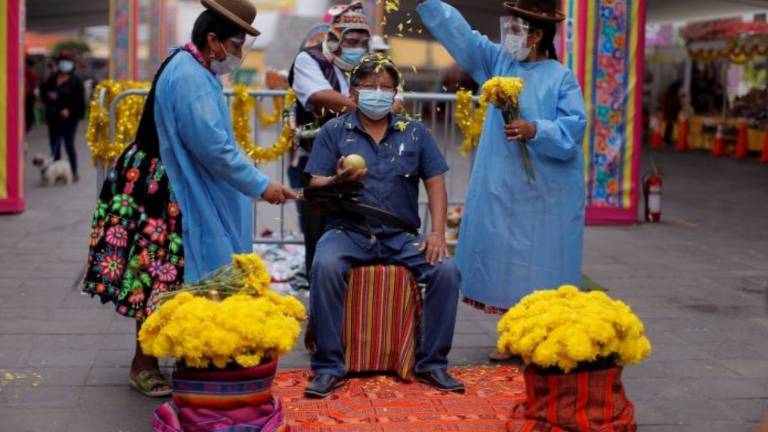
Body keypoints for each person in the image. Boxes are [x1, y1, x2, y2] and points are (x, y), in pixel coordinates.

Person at [83, 0, 296, 397]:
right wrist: (261, 186)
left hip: (163, 179)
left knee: (177, 275)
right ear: (213, 41)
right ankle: (143, 363)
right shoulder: (190, 77)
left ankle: (182, 350)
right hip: (160, 188)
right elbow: (214, 148)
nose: (238, 54)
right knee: (159, 274)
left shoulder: (190, 64)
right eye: (235, 44)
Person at [417, 0, 587, 360]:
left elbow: (573, 129)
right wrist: (429, 3)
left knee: (543, 264)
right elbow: (462, 37)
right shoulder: (499, 62)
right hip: (504, 188)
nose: (508, 35)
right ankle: (512, 335)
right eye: (507, 27)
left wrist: (535, 129)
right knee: (508, 263)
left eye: (516, 30)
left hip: (548, 193)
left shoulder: (561, 77)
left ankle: (542, 337)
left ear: (537, 36)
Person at [303, 54, 464, 399]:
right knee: (324, 266)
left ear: (395, 93)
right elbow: (315, 183)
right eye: (369, 86)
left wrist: (437, 233)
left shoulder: (415, 132)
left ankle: (432, 362)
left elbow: (436, 184)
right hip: (348, 231)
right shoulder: (334, 131)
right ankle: (328, 366)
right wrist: (337, 180)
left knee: (446, 271)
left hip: (401, 237)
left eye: (386, 87)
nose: (378, 92)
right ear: (353, 92)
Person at [288, 1, 372, 278]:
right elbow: (321, 96)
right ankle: (319, 293)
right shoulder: (309, 59)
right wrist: (371, 106)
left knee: (359, 232)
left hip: (362, 164)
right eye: (351, 41)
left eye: (363, 42)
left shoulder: (371, 65)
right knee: (319, 233)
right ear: (334, 39)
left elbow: (397, 99)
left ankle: (354, 293)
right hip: (316, 164)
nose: (358, 47)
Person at [40, 51, 85, 182]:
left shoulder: (75, 80)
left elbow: (80, 100)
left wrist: (70, 110)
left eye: (67, 61)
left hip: (69, 119)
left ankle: (73, 172)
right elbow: (43, 93)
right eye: (62, 61)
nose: (65, 64)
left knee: (69, 144)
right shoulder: (52, 78)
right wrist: (49, 96)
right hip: (54, 117)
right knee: (55, 145)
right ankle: (56, 173)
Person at [662, 80, 682, 146]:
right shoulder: (674, 95)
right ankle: (666, 139)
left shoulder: (668, 94)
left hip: (668, 112)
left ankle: (666, 139)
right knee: (669, 126)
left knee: (669, 126)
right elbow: (676, 105)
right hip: (671, 112)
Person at [25, 57, 38, 133]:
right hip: (32, 94)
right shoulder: (33, 72)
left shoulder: (27, 72)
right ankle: (30, 124)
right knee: (30, 109)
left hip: (28, 94)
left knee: (28, 110)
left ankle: (29, 125)